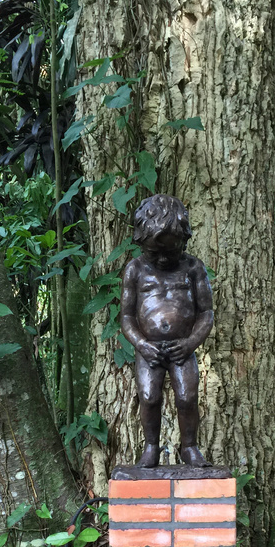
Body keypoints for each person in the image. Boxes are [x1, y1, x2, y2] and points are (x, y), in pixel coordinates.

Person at [121, 194, 214, 467]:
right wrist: (141, 343)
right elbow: (126, 316)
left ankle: (189, 447)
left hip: (183, 348)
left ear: (184, 243)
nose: (162, 259)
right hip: (149, 349)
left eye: (171, 252)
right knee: (149, 397)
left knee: (187, 397)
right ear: (140, 243)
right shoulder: (135, 269)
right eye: (153, 252)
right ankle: (151, 447)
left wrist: (191, 343)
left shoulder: (194, 268)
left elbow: (206, 313)